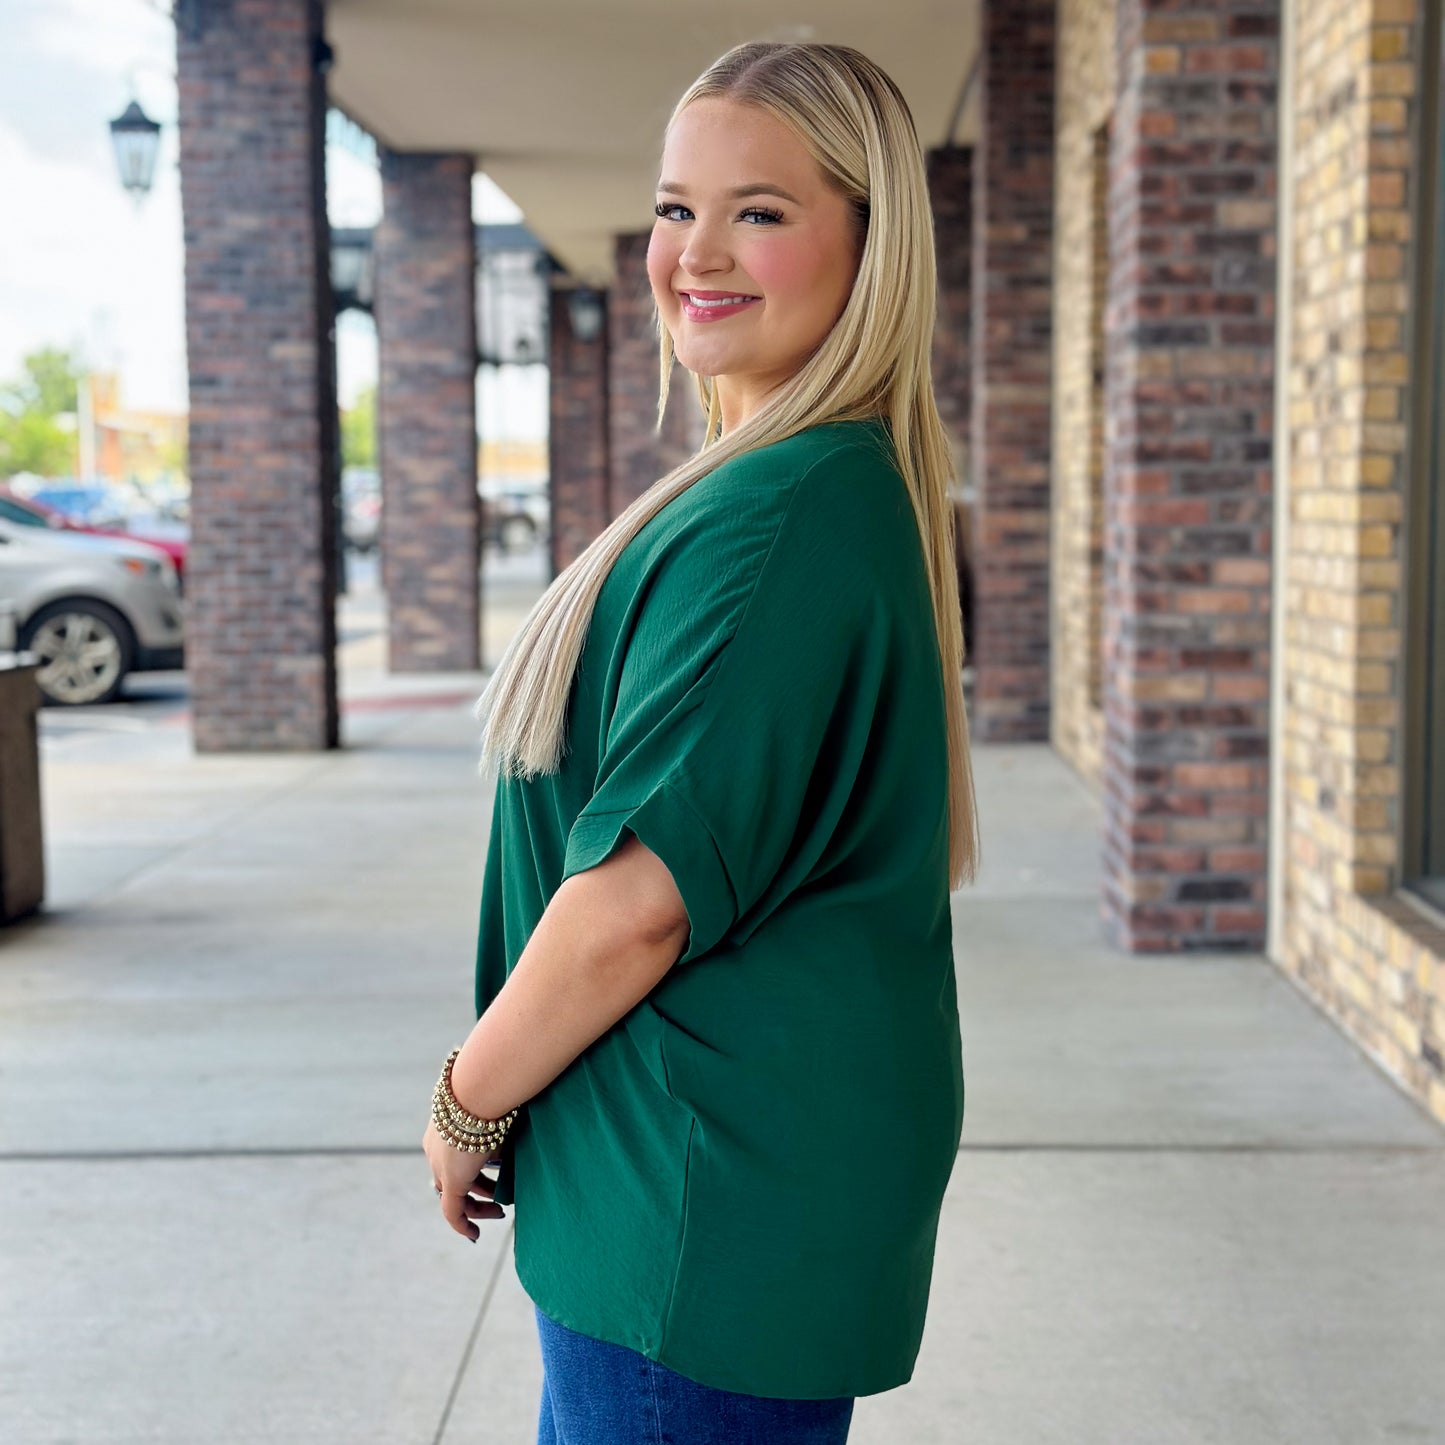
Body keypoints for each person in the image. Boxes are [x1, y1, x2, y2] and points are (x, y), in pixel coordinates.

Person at [421, 38, 981, 1445]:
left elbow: (635, 905)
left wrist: (465, 1099)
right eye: (677, 207)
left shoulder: (780, 514)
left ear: (868, 240)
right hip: (703, 1185)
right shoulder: (801, 488)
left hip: (694, 1200)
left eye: (762, 210)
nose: (696, 251)